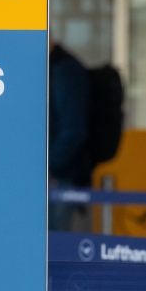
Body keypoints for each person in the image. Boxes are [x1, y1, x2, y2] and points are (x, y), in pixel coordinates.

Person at [48, 41, 91, 231]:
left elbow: (73, 129)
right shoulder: (52, 67)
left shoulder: (64, 69)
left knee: (54, 242)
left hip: (61, 178)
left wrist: (49, 166)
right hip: (54, 176)